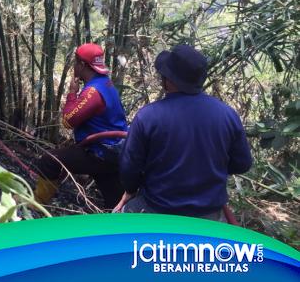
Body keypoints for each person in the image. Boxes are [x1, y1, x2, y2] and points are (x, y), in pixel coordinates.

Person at [116, 44, 253, 221]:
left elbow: (129, 167)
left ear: (169, 80)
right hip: (211, 214)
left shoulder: (148, 116)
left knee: (113, 229)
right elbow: (242, 164)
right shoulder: (227, 114)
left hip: (156, 210)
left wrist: (131, 190)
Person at [34, 43, 128, 209]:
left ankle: (36, 205)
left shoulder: (93, 92)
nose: (74, 66)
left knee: (49, 161)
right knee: (114, 201)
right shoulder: (106, 83)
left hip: (100, 152)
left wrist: (72, 93)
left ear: (82, 65)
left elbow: (68, 121)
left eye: (76, 62)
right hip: (115, 151)